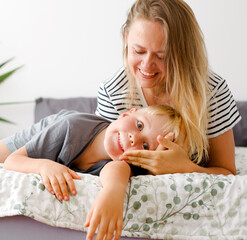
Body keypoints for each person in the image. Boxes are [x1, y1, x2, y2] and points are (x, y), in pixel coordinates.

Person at [95, 0, 241, 176]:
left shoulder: (211, 92)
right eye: (139, 51)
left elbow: (227, 171)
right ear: (126, 37)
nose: (147, 65)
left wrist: (186, 168)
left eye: (162, 56)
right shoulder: (113, 92)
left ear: (184, 55)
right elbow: (98, 165)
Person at [3, 104, 186, 240]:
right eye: (139, 125)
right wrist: (44, 166)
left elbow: (117, 171)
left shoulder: (124, 163)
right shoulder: (70, 127)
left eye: (145, 145)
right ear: (126, 114)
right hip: (54, 126)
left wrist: (113, 192)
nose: (134, 138)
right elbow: (13, 160)